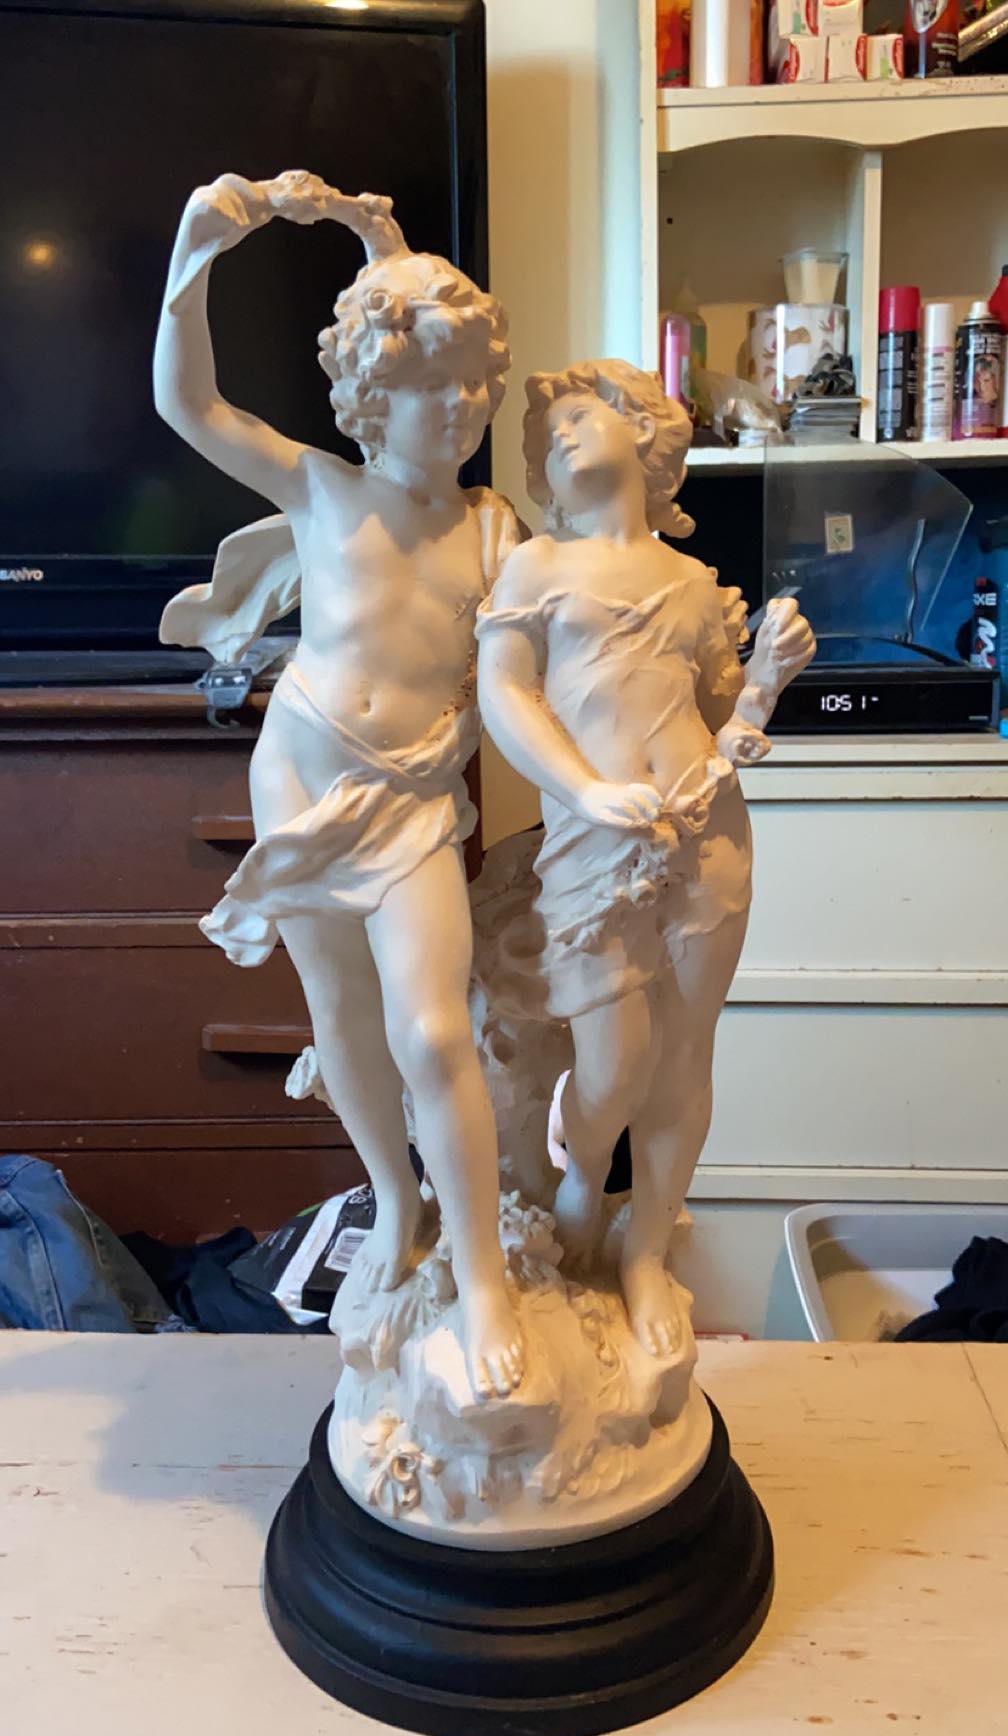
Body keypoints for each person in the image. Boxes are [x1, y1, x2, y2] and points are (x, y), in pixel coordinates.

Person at [154, 170, 524, 1399]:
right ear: (373, 395)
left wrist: (382, 241)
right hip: (303, 783)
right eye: (428, 387)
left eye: (472, 385)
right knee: (344, 1021)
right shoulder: (321, 488)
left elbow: (543, 666)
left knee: (434, 1028)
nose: (457, 408)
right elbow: (189, 403)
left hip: (412, 804)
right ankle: (397, 1203)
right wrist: (193, 262)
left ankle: (484, 1272)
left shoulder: (495, 532)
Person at [477, 359, 813, 1357]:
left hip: (709, 838)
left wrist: (765, 685)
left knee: (684, 1057)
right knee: (614, 1062)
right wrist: (584, 789)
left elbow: (721, 722)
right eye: (550, 434)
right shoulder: (537, 566)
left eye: (584, 415)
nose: (562, 435)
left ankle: (645, 1255)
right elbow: (505, 692)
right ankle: (584, 1188)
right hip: (593, 842)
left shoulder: (694, 585)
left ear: (645, 431)